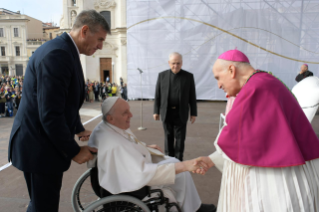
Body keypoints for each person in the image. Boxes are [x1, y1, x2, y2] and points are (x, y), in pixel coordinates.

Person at [8, 10, 110, 212]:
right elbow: (50, 114)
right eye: (99, 39)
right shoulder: (58, 54)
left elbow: (64, 103)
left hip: (42, 143)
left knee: (40, 205)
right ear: (85, 30)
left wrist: (78, 128)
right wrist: (74, 151)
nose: (100, 46)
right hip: (39, 147)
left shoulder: (65, 50)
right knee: (44, 207)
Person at [197, 49, 319, 212]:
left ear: (232, 70)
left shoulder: (254, 89)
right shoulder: (267, 81)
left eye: (218, 78)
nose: (219, 85)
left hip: (274, 184)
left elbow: (232, 139)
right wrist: (212, 160)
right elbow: (254, 139)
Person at [88, 97, 216, 212]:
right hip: (133, 183)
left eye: (129, 110)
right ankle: (192, 208)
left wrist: (146, 147)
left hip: (127, 171)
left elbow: (128, 143)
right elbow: (144, 174)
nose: (131, 115)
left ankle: (193, 206)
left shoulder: (105, 126)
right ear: (110, 118)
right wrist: (186, 165)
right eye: (125, 113)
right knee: (182, 171)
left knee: (176, 163)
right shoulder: (114, 143)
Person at [154, 52, 197, 161]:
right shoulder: (162, 76)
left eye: (178, 63)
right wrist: (156, 111)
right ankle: (169, 159)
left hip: (181, 112)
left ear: (181, 63)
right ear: (169, 63)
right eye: (173, 63)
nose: (175, 66)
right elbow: (157, 95)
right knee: (168, 137)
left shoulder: (188, 77)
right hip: (166, 112)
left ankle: (178, 160)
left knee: (180, 138)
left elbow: (192, 96)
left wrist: (193, 113)